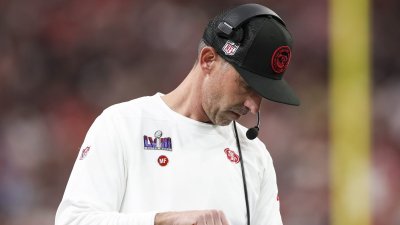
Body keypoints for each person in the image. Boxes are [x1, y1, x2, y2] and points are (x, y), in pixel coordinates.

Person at [55, 3, 300, 225]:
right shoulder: (122, 125)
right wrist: (162, 221)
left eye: (262, 94)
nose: (253, 106)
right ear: (208, 60)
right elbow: (73, 221)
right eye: (247, 86)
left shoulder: (255, 156)